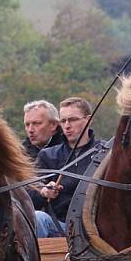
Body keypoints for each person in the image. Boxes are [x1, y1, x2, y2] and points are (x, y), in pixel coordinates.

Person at [30, 97, 103, 238]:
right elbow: (28, 195)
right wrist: (43, 192)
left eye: (73, 119)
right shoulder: (48, 155)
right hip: (60, 226)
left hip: (97, 230)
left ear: (88, 120)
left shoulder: (104, 153)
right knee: (38, 217)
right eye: (63, 121)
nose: (67, 125)